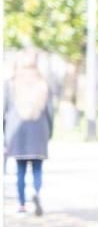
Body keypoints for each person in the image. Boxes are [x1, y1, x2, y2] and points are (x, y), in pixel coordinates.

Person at [4, 49, 53, 216]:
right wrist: (49, 133)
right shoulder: (43, 83)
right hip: (39, 131)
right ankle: (37, 193)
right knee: (38, 169)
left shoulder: (12, 83)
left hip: (18, 133)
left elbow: (5, 110)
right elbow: (50, 111)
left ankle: (22, 205)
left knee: (21, 170)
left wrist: (5, 135)